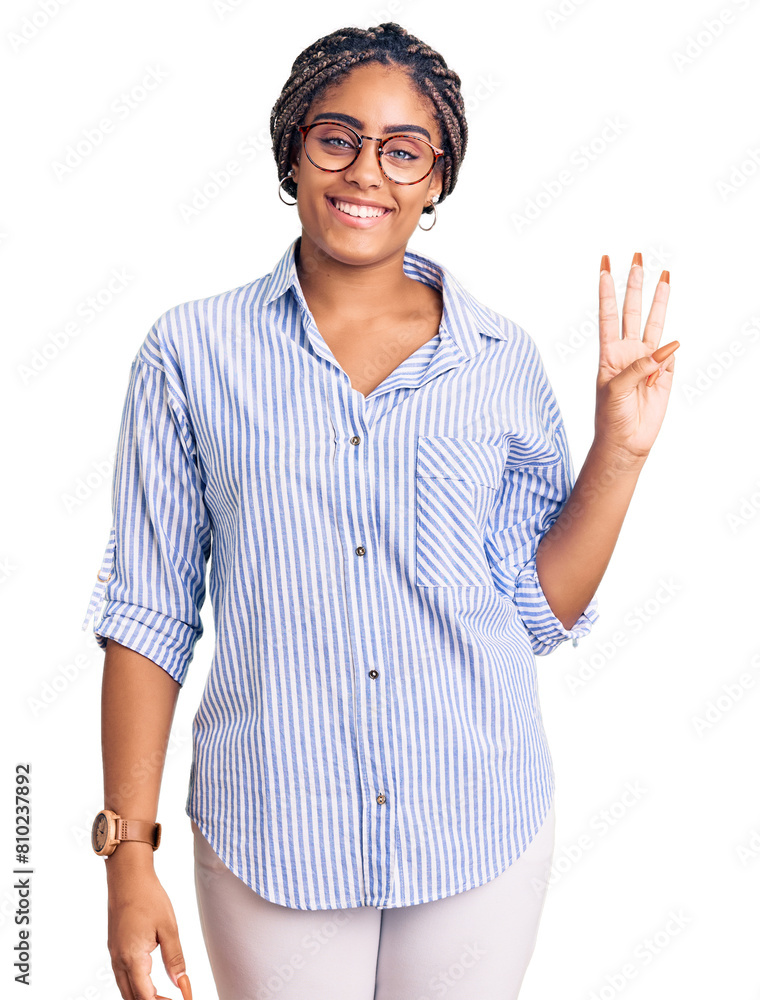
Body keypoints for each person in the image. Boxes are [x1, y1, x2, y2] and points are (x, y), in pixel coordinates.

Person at [82, 21, 678, 1000]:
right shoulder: (191, 356)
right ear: (293, 149)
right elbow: (147, 614)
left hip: (476, 821)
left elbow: (537, 609)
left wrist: (619, 448)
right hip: (270, 830)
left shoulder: (499, 361)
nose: (367, 171)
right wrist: (126, 851)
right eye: (336, 138)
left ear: (435, 180)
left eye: (403, 150)